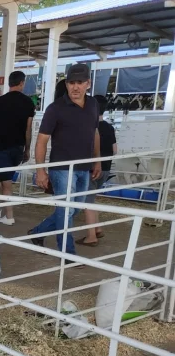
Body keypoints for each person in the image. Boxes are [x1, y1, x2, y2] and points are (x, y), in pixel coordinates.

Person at [28, 64, 101, 257]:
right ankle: (67, 252)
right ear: (66, 84)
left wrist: (98, 160)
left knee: (73, 210)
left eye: (80, 83)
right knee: (65, 209)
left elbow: (94, 133)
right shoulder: (56, 108)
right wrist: (41, 170)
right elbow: (42, 139)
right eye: (71, 83)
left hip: (84, 166)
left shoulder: (93, 104)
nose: (75, 87)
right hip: (61, 167)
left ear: (88, 84)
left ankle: (38, 232)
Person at [0, 71, 35, 226]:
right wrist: (27, 149)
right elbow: (28, 129)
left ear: (9, 83)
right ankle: (0, 209)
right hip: (18, 147)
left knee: (6, 181)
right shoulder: (28, 103)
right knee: (5, 180)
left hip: (3, 146)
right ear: (22, 83)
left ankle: (9, 216)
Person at [78, 95, 117, 246]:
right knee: (92, 199)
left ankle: (91, 236)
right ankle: (97, 228)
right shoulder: (109, 127)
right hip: (106, 168)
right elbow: (115, 150)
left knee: (87, 202)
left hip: (92, 169)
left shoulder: (89, 127)